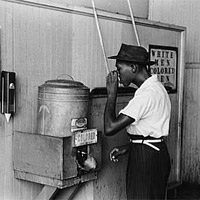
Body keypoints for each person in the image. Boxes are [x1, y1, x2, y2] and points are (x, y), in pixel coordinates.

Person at [104, 43, 171, 200]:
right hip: (156, 152)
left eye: (119, 69)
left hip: (145, 160)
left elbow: (110, 127)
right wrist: (129, 147)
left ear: (133, 67)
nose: (117, 74)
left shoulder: (146, 95)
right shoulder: (157, 88)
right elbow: (150, 131)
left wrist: (111, 94)